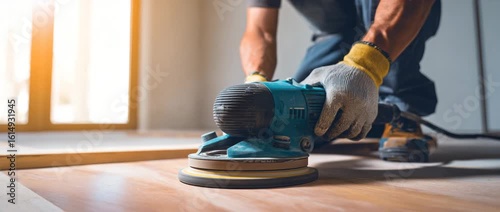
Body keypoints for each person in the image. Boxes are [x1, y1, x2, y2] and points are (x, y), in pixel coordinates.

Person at [240, 0, 441, 162]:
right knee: (299, 116)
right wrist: (256, 84)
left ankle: (401, 114)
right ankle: (373, 118)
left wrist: (365, 65)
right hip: (336, 35)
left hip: (392, 11)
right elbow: (260, 31)